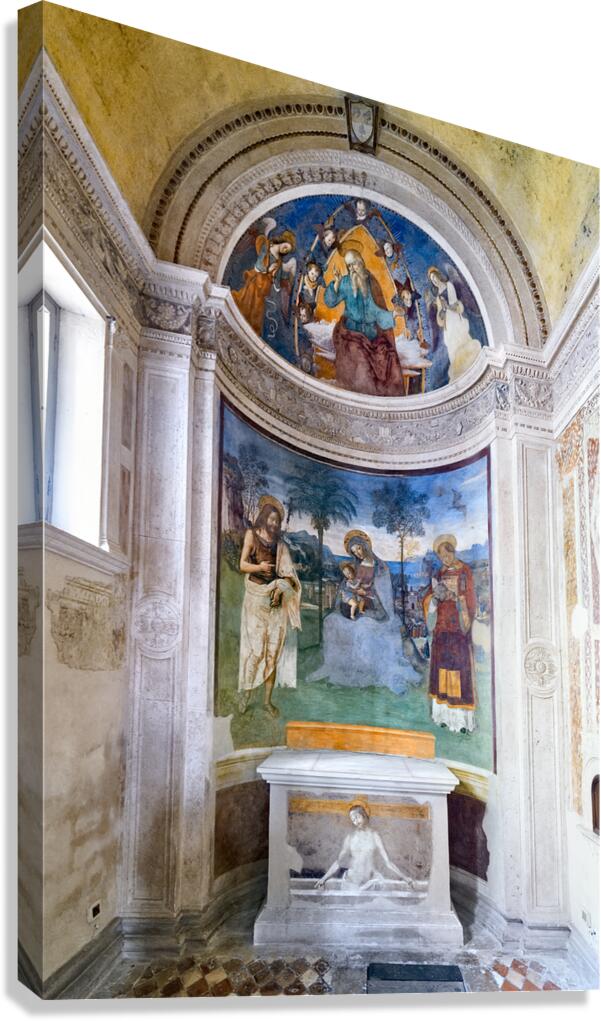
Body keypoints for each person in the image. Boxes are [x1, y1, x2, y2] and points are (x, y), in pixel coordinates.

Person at [238, 495, 301, 716]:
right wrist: (259, 568)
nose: (274, 524)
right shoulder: (251, 535)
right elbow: (242, 564)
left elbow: (291, 578)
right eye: (271, 519)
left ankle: (267, 701)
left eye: (277, 521)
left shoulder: (280, 546)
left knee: (272, 654)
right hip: (256, 599)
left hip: (275, 603)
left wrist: (280, 589)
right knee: (256, 652)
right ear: (264, 517)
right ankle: (246, 695)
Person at [323, 246, 405, 396]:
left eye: (354, 264)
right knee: (360, 360)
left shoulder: (370, 282)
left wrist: (393, 314)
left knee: (389, 357)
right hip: (350, 334)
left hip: (371, 336)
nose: (351, 268)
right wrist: (336, 282)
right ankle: (364, 398)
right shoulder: (345, 282)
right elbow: (330, 302)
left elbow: (376, 311)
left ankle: (389, 401)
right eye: (348, 266)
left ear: (360, 262)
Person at [423, 534, 477, 733]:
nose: (445, 559)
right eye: (441, 556)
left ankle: (461, 721)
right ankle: (442, 716)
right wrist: (434, 598)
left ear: (454, 552)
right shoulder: (439, 573)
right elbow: (428, 597)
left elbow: (470, 599)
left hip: (457, 628)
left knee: (458, 669)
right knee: (442, 669)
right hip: (441, 628)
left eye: (447, 555)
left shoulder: (464, 571)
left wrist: (457, 597)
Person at [315, 803, 413, 891]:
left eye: (357, 817)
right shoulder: (350, 837)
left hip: (369, 881)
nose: (355, 821)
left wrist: (405, 878)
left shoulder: (375, 836)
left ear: (364, 815)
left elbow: (387, 862)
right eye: (353, 819)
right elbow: (338, 862)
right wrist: (323, 879)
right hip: (351, 881)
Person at [232, 230, 296, 336]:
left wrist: (278, 276)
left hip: (264, 288)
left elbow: (277, 281)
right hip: (256, 282)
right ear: (283, 241)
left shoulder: (279, 261)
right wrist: (268, 269)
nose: (284, 250)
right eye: (285, 247)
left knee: (258, 310)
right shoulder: (266, 247)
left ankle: (251, 330)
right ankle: (239, 318)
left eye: (287, 251)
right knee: (247, 301)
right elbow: (258, 266)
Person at [427, 266, 482, 382]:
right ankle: (459, 371)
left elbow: (455, 304)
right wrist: (442, 310)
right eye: (432, 280)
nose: (434, 280)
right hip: (448, 323)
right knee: (452, 345)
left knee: (461, 339)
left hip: (455, 318)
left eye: (434, 277)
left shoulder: (449, 286)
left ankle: (469, 363)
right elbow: (440, 317)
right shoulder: (438, 297)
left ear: (438, 275)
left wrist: (447, 307)